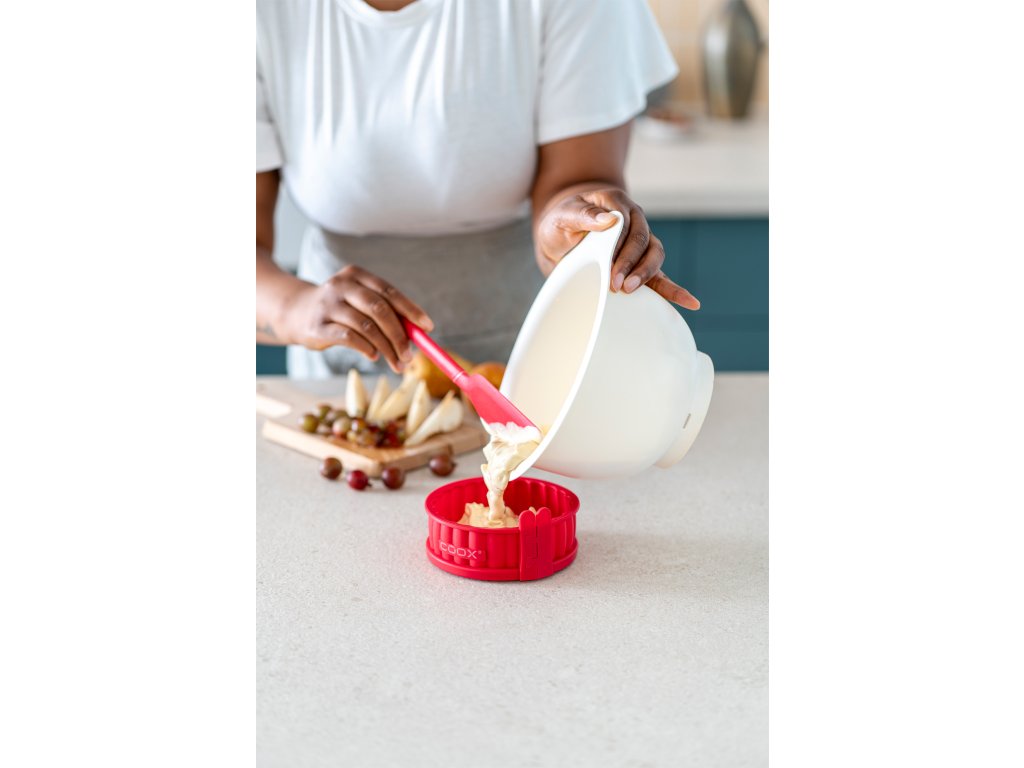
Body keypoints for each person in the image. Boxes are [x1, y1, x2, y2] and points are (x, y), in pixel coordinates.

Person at [256, 0, 700, 377]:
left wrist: (580, 228)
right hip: (338, 375)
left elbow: (578, 177)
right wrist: (293, 307)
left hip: (532, 355)